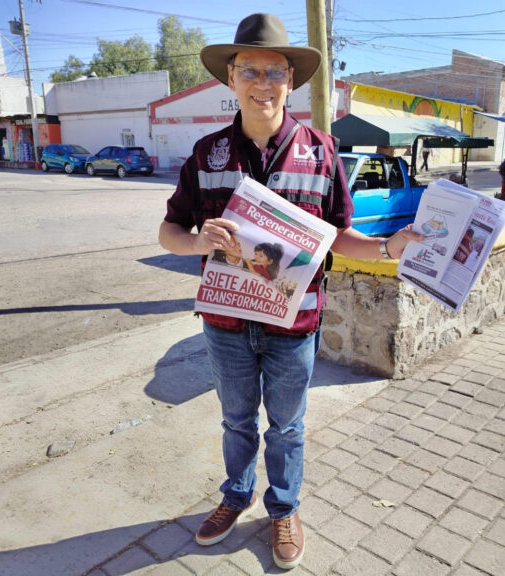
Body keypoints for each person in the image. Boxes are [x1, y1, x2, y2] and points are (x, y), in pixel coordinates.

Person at [157, 13, 422, 570]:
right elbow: (168, 231)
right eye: (249, 69)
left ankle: (283, 508)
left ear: (291, 81)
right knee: (235, 421)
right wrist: (197, 241)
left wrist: (387, 248)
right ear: (231, 78)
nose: (262, 82)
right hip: (225, 324)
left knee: (288, 427)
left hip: (294, 325)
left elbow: (341, 235)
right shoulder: (206, 155)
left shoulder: (323, 152)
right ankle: (236, 495)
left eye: (274, 71)